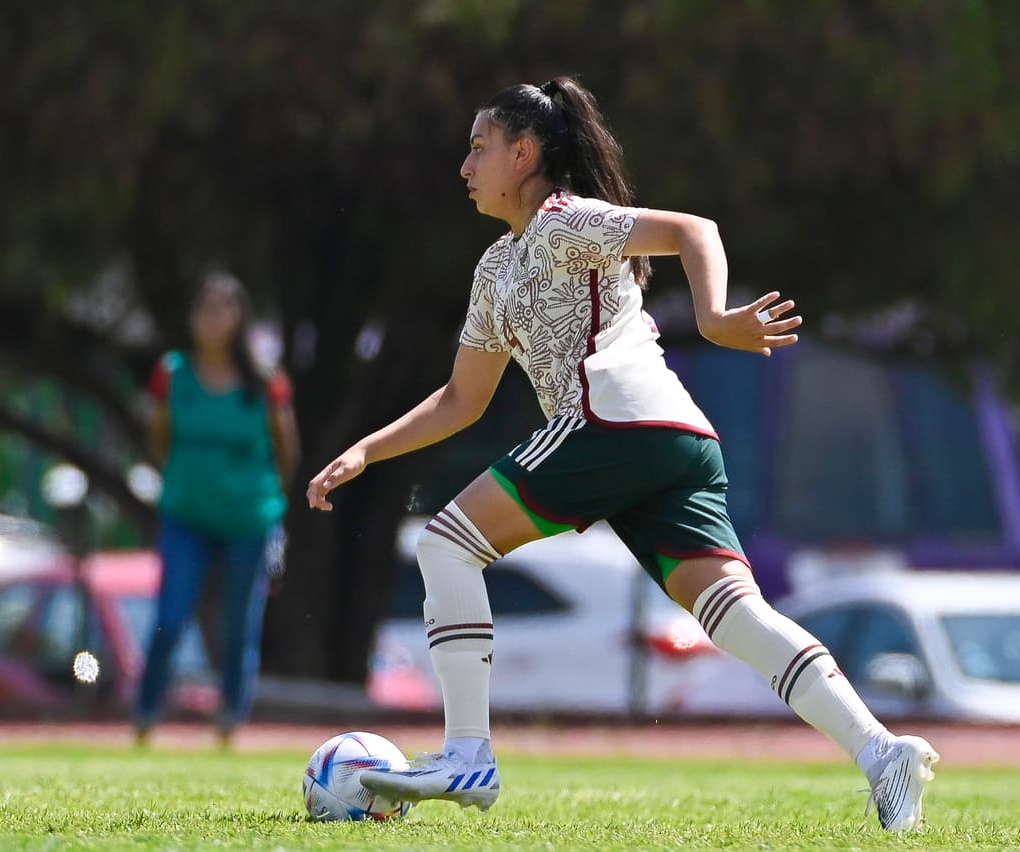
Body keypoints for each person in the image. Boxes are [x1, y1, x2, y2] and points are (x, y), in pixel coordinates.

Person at [306, 77, 938, 830]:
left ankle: (468, 753)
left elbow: (692, 229)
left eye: (479, 148)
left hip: (611, 421)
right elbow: (460, 401)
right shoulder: (494, 270)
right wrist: (367, 453)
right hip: (675, 440)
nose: (465, 166)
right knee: (735, 615)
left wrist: (713, 316)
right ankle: (881, 753)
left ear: (525, 152)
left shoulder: (561, 221)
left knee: (446, 547)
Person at [135, 272, 300, 747]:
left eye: (224, 307)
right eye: (204, 307)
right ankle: (145, 715)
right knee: (170, 615)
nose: (213, 318)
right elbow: (159, 436)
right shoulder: (173, 372)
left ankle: (228, 721)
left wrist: (268, 499)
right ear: (191, 317)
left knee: (236, 627)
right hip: (185, 515)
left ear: (239, 317)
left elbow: (286, 450)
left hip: (248, 520)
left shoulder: (265, 381)